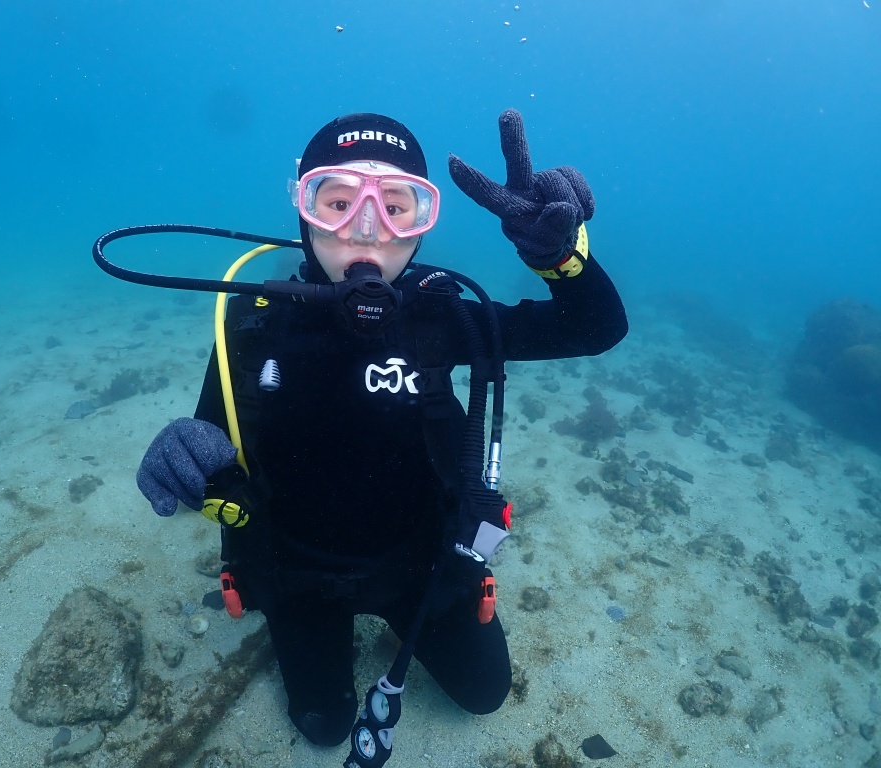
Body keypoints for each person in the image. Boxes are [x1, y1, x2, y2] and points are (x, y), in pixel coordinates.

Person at [136, 110, 628, 748]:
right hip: (297, 568)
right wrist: (185, 455)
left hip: (421, 562)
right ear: (304, 211)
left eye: (398, 207)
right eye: (337, 202)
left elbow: (595, 328)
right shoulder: (255, 322)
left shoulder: (443, 315)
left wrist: (561, 257)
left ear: (422, 228)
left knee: (485, 694)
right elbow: (214, 442)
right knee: (323, 727)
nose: (365, 230)